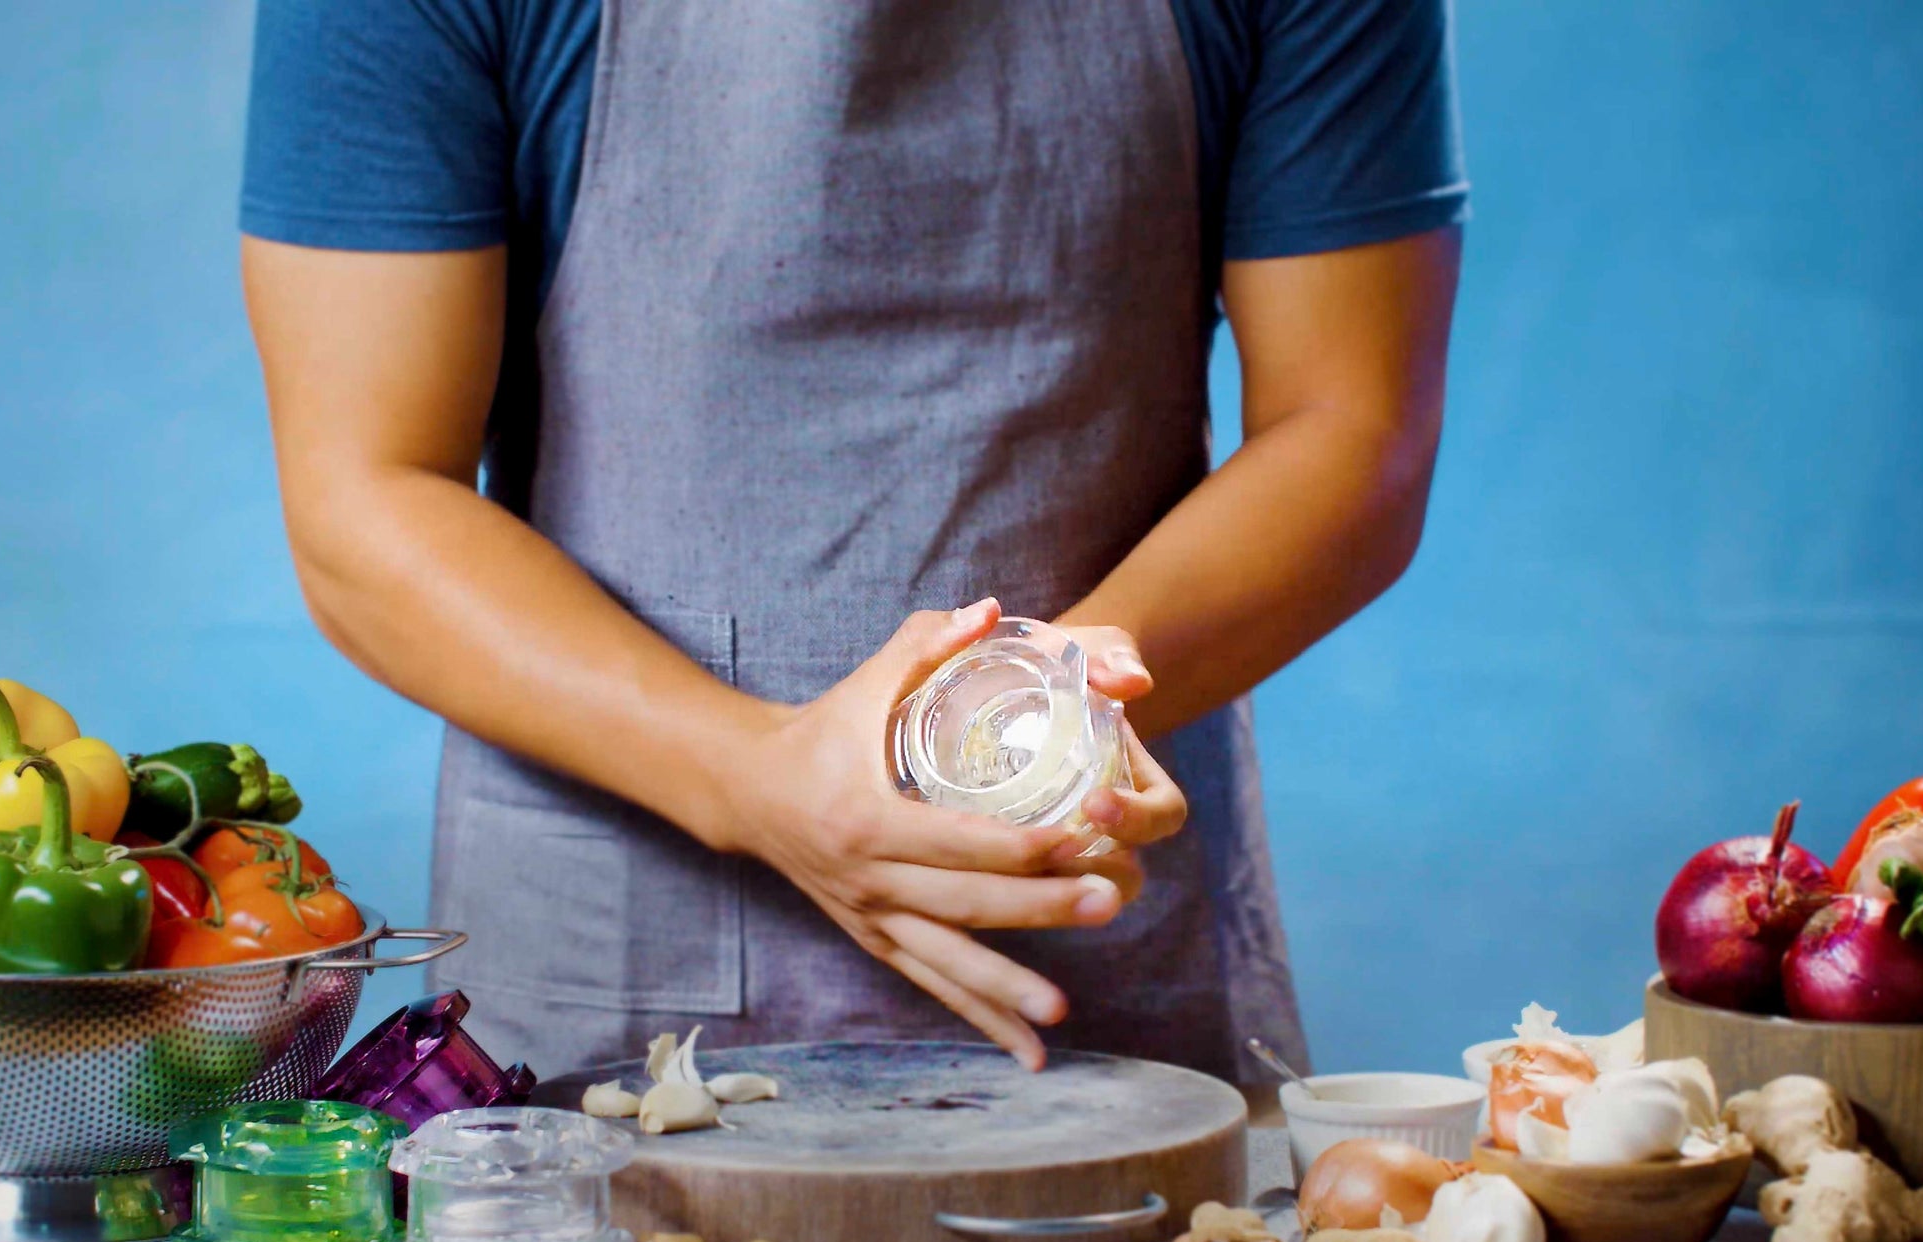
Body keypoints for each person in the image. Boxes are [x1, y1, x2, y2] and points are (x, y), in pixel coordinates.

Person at [239, 0, 1465, 1082]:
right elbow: (364, 496)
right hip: (607, 1001)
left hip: (1094, 937)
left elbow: (1353, 430)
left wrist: (1036, 716)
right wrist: (755, 779)